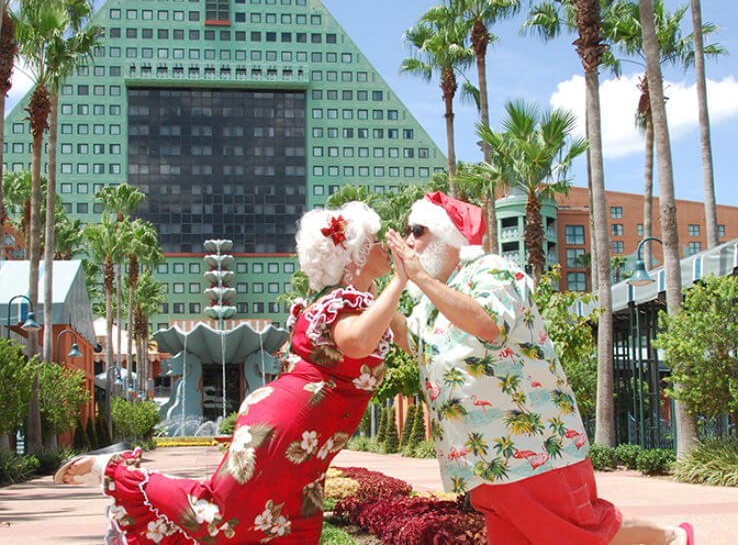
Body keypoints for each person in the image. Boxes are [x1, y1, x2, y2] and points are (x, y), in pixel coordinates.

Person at [55, 201, 407, 544]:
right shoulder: (341, 305)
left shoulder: (360, 302)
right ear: (354, 256)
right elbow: (358, 343)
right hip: (286, 427)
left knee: (292, 531)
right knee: (218, 517)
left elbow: (410, 340)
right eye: (373, 240)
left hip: (308, 440)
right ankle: (113, 472)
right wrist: (400, 281)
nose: (382, 247)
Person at [385, 191, 694, 545]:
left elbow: (489, 325)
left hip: (533, 448)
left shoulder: (492, 271)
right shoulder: (433, 303)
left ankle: (671, 538)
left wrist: (421, 278)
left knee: (582, 535)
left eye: (418, 230)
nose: (409, 239)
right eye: (408, 230)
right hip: (482, 461)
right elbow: (412, 342)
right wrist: (377, 293)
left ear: (448, 235)